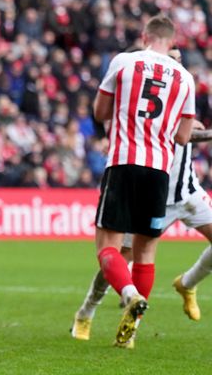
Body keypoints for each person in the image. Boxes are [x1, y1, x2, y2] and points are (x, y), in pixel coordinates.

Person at [72, 49, 212, 341]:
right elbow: (185, 133)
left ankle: (186, 284)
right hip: (154, 189)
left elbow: (190, 130)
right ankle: (87, 310)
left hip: (187, 192)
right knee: (122, 256)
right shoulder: (135, 104)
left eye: (177, 57)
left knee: (124, 253)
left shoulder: (178, 92)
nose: (172, 61)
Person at [91, 17, 195, 348]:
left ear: (145, 37)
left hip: (123, 162)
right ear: (171, 40)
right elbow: (183, 136)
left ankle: (130, 294)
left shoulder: (124, 61)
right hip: (160, 170)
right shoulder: (186, 79)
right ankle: (130, 334)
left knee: (108, 246)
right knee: (146, 251)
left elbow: (100, 111)